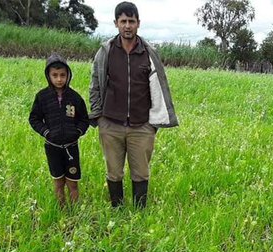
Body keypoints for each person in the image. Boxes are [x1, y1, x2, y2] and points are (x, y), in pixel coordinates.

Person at [89, 1, 178, 209]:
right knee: (114, 171)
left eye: (131, 21)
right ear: (115, 23)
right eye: (123, 21)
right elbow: (94, 85)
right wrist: (100, 118)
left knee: (141, 173)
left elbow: (159, 87)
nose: (127, 26)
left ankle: (139, 214)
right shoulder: (106, 51)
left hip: (142, 125)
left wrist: (152, 124)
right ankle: (117, 211)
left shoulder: (148, 52)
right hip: (110, 124)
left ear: (138, 23)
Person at [29, 53, 90, 207]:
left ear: (68, 75)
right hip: (52, 147)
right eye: (54, 75)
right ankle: (61, 211)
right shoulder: (42, 97)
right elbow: (34, 119)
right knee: (58, 182)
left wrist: (78, 132)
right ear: (48, 76)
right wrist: (46, 132)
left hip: (71, 147)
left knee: (72, 183)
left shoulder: (75, 98)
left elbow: (84, 119)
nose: (59, 79)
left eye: (62, 75)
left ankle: (75, 212)